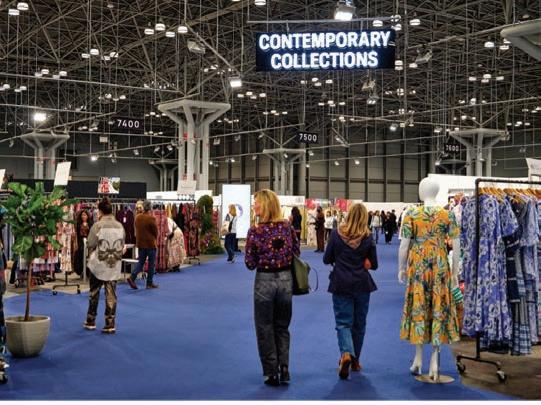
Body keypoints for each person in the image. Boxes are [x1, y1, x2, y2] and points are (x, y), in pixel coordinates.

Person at [245, 189, 300, 387]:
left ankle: (271, 372)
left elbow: (250, 263)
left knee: (264, 327)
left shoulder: (255, 231)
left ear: (264, 205)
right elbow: (296, 252)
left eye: (256, 203)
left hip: (264, 281)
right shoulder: (287, 227)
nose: (254, 206)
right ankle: (284, 367)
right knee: (282, 326)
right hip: (285, 280)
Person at [323, 203, 378, 380]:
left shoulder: (336, 234)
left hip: (341, 283)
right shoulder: (368, 237)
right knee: (359, 324)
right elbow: (374, 264)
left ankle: (346, 353)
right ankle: (355, 361)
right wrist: (366, 262)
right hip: (362, 284)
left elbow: (326, 259)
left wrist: (339, 258)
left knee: (343, 323)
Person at [83, 198, 126, 333]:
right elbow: (122, 243)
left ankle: (91, 320)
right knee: (111, 294)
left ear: (100, 211)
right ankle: (110, 323)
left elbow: (90, 243)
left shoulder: (97, 225)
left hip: (99, 264)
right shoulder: (120, 226)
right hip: (113, 264)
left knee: (94, 292)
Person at [127, 200, 159, 290]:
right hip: (150, 244)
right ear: (150, 208)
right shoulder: (151, 218)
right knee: (151, 264)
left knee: (141, 262)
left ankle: (132, 277)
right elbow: (156, 232)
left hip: (141, 244)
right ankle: (149, 283)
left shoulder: (137, 217)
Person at [74, 210, 93, 277]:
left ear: (87, 216)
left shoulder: (90, 224)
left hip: (88, 242)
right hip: (80, 243)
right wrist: (76, 243)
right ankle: (82, 271)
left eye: (85, 215)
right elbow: (77, 234)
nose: (83, 216)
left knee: (88, 257)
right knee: (81, 257)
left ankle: (88, 271)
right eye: (82, 215)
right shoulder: (78, 224)